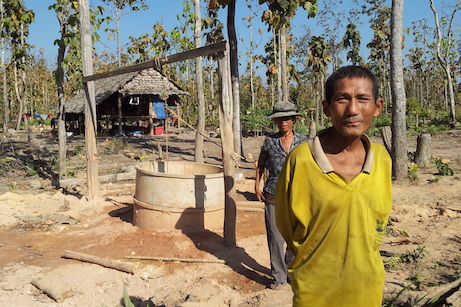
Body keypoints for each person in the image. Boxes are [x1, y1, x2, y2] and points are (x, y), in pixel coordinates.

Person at [275, 65, 392, 306]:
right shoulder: (302, 160)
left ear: (377, 107)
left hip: (367, 291)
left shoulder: (381, 159)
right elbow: (286, 225)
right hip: (314, 292)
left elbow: (378, 222)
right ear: (326, 108)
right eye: (342, 99)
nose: (352, 109)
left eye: (362, 99)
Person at [255, 101, 308, 290]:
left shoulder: (304, 142)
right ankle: (278, 277)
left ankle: (291, 271)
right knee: (275, 237)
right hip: (273, 193)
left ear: (293, 120)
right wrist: (256, 184)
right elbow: (260, 164)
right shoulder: (270, 141)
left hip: (298, 193)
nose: (283, 122)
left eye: (287, 118)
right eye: (279, 119)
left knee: (296, 237)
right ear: (275, 121)